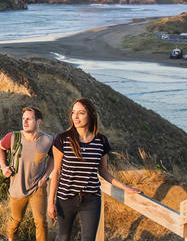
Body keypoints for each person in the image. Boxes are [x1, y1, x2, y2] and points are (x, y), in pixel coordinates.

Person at [47, 98, 141, 241]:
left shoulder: (101, 141)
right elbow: (57, 172)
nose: (76, 116)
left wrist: (125, 188)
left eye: (81, 113)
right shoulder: (62, 139)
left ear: (90, 115)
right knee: (63, 237)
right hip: (66, 197)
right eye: (73, 113)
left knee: (89, 239)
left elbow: (104, 172)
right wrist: (50, 201)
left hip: (91, 199)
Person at [0, 107, 54, 241]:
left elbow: (54, 158)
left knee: (41, 222)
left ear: (38, 122)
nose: (25, 122)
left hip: (37, 187)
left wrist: (46, 176)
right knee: (16, 220)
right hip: (17, 188)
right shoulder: (13, 137)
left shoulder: (48, 140)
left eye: (29, 119)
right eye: (23, 119)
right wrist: (4, 167)